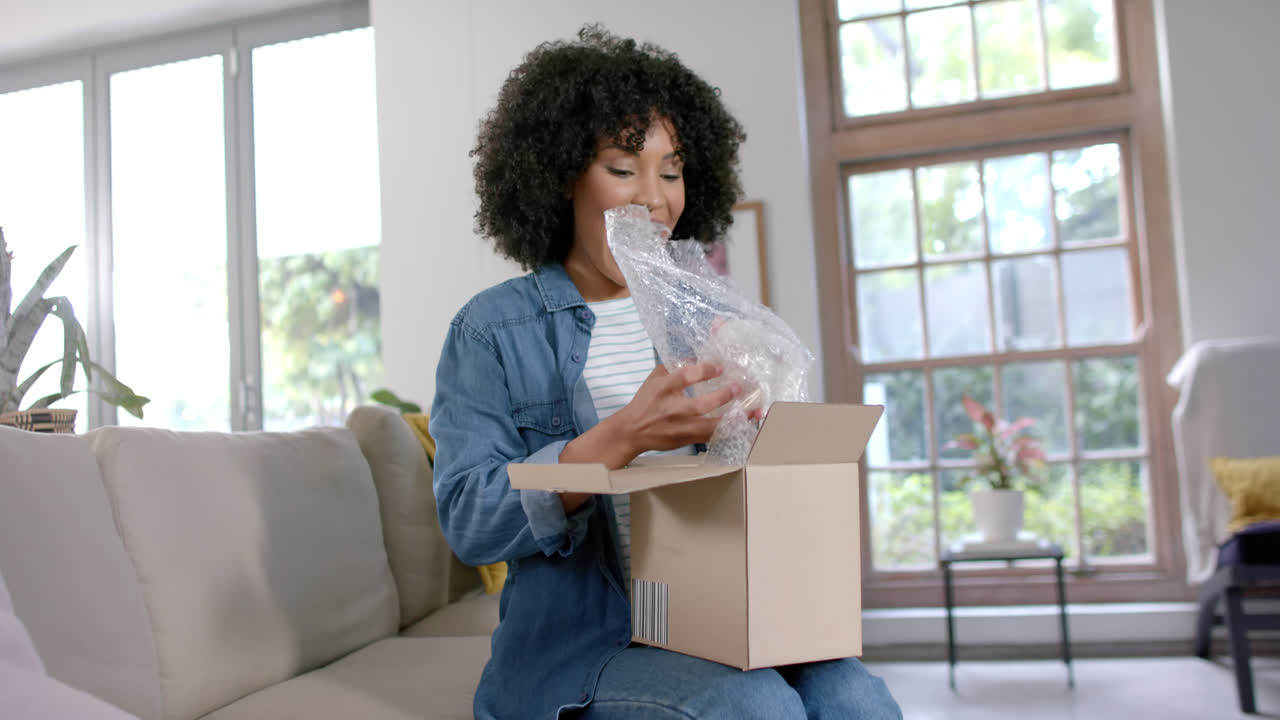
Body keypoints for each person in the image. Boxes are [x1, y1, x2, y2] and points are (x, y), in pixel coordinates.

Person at [429, 26, 902, 720]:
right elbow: (469, 520)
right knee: (757, 707)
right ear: (562, 178)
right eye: (624, 168)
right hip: (583, 652)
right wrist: (622, 437)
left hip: (711, 622)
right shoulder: (491, 330)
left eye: (672, 171)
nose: (655, 198)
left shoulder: (698, 318)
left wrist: (756, 436)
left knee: (858, 698)